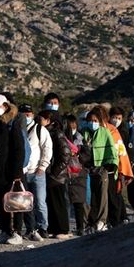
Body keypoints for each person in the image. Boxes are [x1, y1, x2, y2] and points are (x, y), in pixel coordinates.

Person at [0, 94, 26, 245]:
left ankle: (17, 232)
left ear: (6, 107)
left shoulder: (12, 125)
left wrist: (16, 173)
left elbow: (19, 150)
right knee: (2, 203)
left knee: (15, 202)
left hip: (12, 172)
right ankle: (5, 230)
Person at [19, 103, 52, 241]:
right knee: (25, 203)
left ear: (33, 115)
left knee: (39, 202)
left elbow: (47, 148)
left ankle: (43, 227)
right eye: (24, 114)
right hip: (23, 173)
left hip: (37, 172)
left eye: (29, 114)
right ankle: (29, 228)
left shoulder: (40, 129)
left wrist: (42, 167)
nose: (27, 116)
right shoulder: (17, 129)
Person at [83, 109, 119, 232]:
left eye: (95, 121)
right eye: (90, 121)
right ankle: (90, 221)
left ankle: (102, 220)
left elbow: (112, 150)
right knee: (90, 196)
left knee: (102, 195)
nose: (92, 123)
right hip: (88, 168)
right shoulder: (84, 133)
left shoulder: (104, 132)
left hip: (102, 168)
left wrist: (109, 166)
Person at [39, 110, 72, 239]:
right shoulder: (46, 132)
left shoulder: (57, 134)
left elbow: (65, 155)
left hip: (58, 176)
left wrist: (54, 173)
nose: (39, 120)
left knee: (59, 203)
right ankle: (53, 228)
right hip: (50, 174)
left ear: (49, 120)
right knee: (51, 203)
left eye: (41, 118)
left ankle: (63, 229)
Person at [64, 114, 88, 235]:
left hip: (79, 174)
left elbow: (87, 154)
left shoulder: (81, 139)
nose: (72, 127)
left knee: (79, 203)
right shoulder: (62, 138)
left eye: (74, 125)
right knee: (66, 202)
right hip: (65, 173)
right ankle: (65, 227)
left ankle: (80, 227)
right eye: (70, 125)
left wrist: (79, 158)